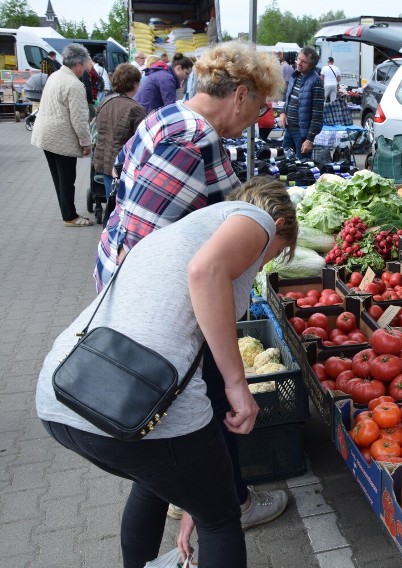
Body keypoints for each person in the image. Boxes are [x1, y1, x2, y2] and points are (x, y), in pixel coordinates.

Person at [37, 175, 298, 568]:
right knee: (222, 517)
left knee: (154, 479)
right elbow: (204, 272)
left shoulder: (180, 232)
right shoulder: (255, 220)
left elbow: (201, 387)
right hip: (136, 397)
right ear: (280, 227)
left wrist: (198, 490)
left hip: (67, 394)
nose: (266, 262)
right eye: (277, 253)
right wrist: (238, 385)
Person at [94, 41, 287, 545]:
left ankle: (215, 503)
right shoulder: (190, 139)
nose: (255, 122)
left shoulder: (165, 120)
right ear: (240, 95)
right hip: (155, 319)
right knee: (185, 442)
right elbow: (146, 239)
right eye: (260, 108)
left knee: (156, 468)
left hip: (131, 300)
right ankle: (226, 506)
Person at [31, 43, 94, 227]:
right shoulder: (74, 84)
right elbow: (80, 118)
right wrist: (86, 142)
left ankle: (67, 213)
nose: (85, 69)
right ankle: (70, 217)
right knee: (67, 180)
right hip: (60, 137)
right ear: (79, 64)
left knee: (59, 179)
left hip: (45, 135)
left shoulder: (56, 75)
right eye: (85, 65)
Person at [92, 63, 146, 207]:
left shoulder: (104, 102)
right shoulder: (135, 109)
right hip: (122, 166)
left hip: (103, 161)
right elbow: (144, 141)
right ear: (135, 83)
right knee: (122, 207)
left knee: (112, 202)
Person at [277, 47, 324, 160]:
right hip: (289, 130)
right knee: (284, 163)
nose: (299, 63)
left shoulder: (316, 82)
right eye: (298, 59)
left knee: (301, 169)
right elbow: (289, 100)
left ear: (311, 65)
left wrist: (309, 139)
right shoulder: (294, 76)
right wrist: (283, 112)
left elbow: (317, 114)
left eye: (304, 62)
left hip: (302, 134)